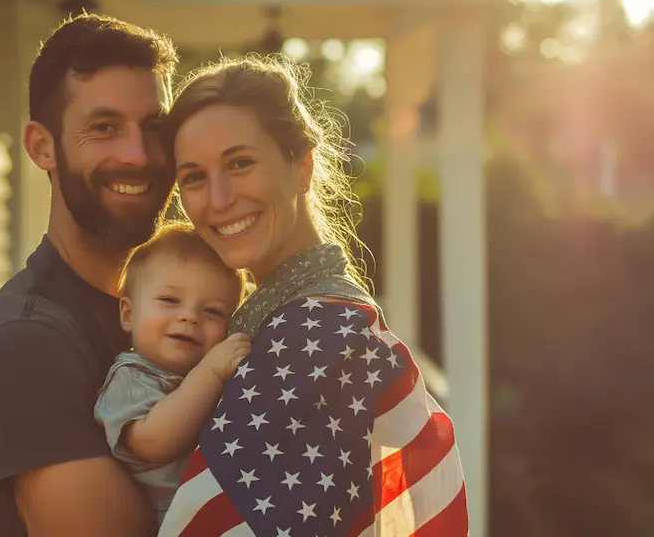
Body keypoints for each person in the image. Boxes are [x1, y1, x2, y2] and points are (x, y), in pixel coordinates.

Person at [157, 56, 470, 536]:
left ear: (301, 166)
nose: (217, 199)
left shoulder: (318, 332)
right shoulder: (273, 316)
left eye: (240, 163)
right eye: (194, 177)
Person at [0, 13, 179, 537]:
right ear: (41, 146)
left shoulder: (176, 307)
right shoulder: (25, 344)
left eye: (154, 127)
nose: (138, 154)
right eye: (104, 128)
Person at [94, 222, 250, 525]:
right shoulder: (131, 376)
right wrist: (211, 372)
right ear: (128, 314)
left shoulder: (218, 372)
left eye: (213, 311)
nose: (189, 316)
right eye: (170, 300)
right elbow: (153, 441)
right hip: (169, 524)